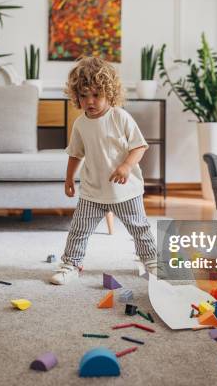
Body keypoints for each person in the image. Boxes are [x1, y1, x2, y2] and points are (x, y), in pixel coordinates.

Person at [50, 56, 158, 285]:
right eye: (84, 95)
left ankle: (151, 260)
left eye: (96, 94)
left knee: (140, 228)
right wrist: (69, 178)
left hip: (125, 191)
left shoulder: (120, 117)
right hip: (92, 191)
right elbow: (75, 153)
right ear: (76, 96)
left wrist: (126, 166)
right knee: (78, 231)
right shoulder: (80, 124)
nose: (90, 101)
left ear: (109, 93)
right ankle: (71, 263)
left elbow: (139, 146)